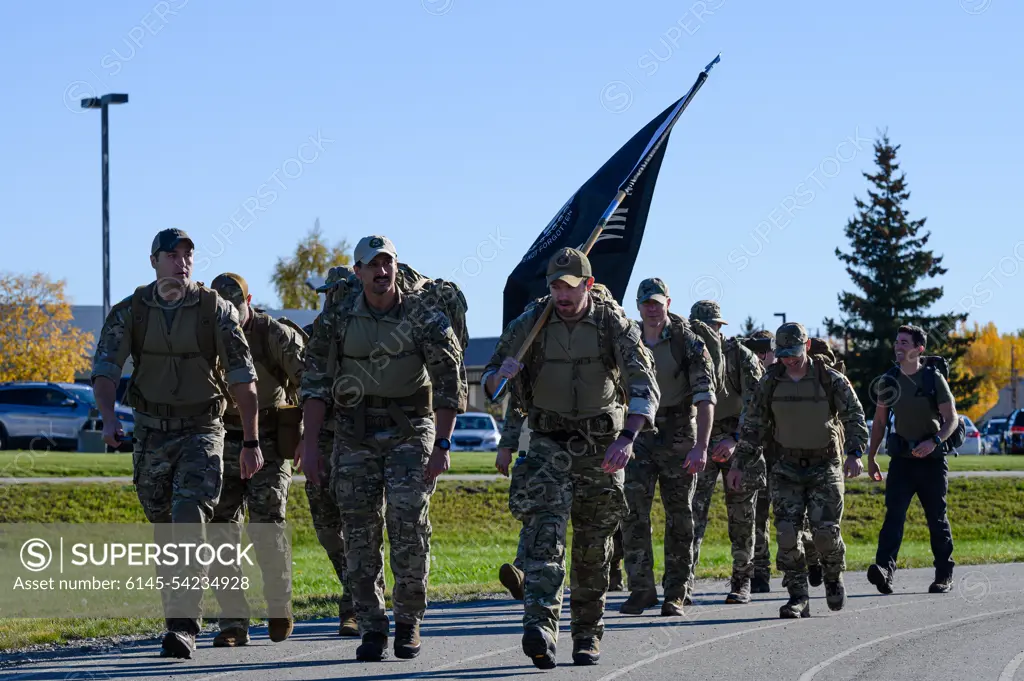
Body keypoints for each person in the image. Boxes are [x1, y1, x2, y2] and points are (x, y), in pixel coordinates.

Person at [90, 229, 262, 659]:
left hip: (203, 430)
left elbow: (243, 376)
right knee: (165, 526)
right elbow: (106, 368)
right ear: (154, 261)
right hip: (150, 432)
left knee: (188, 521)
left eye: (187, 255)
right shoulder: (131, 312)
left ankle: (183, 626)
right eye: (172, 255)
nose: (181, 262)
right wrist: (109, 418)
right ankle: (177, 616)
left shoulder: (215, 310)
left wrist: (252, 441)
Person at [483, 248, 659, 668]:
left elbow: (644, 385)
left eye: (570, 287)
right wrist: (500, 375)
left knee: (593, 550)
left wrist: (629, 437)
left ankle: (587, 634)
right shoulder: (531, 323)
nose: (562, 295)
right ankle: (541, 629)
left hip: (601, 446)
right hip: (548, 443)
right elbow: (489, 382)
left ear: (589, 285)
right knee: (544, 538)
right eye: (556, 287)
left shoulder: (612, 324)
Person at [300, 235, 465, 662]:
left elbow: (449, 380)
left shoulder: (422, 313)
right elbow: (315, 383)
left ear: (396, 266)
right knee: (358, 531)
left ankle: (409, 620)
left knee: (407, 520)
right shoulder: (338, 316)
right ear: (357, 272)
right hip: (354, 433)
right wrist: (312, 444)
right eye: (372, 264)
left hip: (411, 430)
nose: (381, 270)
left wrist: (442, 443)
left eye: (387, 262)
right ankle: (371, 625)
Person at [728, 322, 868, 619]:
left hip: (825, 465)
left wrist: (855, 454)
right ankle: (797, 597)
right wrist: (740, 464)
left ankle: (833, 576)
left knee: (825, 533)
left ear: (806, 347)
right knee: (787, 534)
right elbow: (752, 426)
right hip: (786, 467)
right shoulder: (770, 382)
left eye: (794, 353)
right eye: (783, 354)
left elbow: (855, 416)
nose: (789, 360)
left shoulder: (830, 380)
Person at [206, 273, 305, 647]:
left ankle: (279, 607)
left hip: (269, 440)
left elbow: (310, 381)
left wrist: (307, 438)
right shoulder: (209, 331)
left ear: (250, 299)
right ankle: (232, 622)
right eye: (224, 310)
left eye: (238, 308)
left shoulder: (273, 334)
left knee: (267, 527)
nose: (232, 316)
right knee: (219, 531)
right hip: (224, 437)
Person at [618, 280, 714, 618]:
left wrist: (701, 447)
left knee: (680, 518)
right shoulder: (627, 338)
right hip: (638, 430)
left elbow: (705, 398)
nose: (652, 308)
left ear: (668, 303)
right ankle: (641, 590)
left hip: (678, 431)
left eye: (657, 302)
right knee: (632, 514)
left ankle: (677, 592)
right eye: (646, 303)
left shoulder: (688, 342)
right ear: (638, 306)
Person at [496, 396, 626, 600]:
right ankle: (525, 573)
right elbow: (518, 399)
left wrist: (628, 439)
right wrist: (506, 446)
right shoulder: (539, 366)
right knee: (540, 517)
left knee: (601, 520)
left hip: (598, 447)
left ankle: (613, 572)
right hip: (546, 448)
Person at [867, 324, 958, 595]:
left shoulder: (933, 379)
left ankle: (944, 574)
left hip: (932, 461)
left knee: (936, 519)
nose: (898, 346)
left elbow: (952, 419)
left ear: (919, 349)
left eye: (904, 342)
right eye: (896, 342)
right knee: (893, 517)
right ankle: (884, 571)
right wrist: (871, 457)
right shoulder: (889, 380)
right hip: (902, 462)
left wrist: (935, 441)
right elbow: (880, 423)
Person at [688, 301, 763, 604]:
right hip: (700, 441)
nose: (707, 333)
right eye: (701, 328)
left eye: (712, 327)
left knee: (742, 518)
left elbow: (757, 407)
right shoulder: (688, 355)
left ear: (720, 328)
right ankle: (683, 585)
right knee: (691, 518)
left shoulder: (741, 358)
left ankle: (741, 582)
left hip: (738, 443)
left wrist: (734, 438)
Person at [744, 329, 821, 593]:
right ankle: (761, 574)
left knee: (793, 520)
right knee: (758, 517)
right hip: (760, 458)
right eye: (754, 352)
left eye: (762, 352)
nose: (757, 357)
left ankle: (808, 560)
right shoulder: (754, 378)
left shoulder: (783, 377)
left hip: (786, 459)